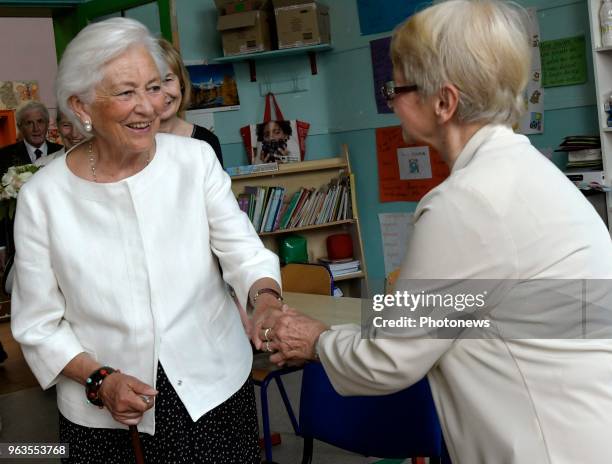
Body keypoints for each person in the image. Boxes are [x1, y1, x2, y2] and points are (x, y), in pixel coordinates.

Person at [260, 1, 612, 463]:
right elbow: (456, 308)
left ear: (443, 102)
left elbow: (389, 359)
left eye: (397, 87)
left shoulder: (468, 202)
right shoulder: (526, 172)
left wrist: (317, 340)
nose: (390, 101)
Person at [10, 17, 282, 463]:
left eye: (153, 88)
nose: (148, 107)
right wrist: (99, 380)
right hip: (103, 411)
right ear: (81, 106)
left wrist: (265, 299)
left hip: (212, 388)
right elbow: (37, 325)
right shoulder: (44, 197)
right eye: (125, 92)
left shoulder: (194, 162)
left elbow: (244, 252)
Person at [157, 38, 224, 167]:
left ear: (181, 82)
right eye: (152, 85)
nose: (162, 93)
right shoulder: (132, 145)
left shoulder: (207, 141)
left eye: (168, 80)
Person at [0, 100, 63, 172]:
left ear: (47, 124)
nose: (36, 129)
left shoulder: (62, 152)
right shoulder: (3, 156)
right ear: (20, 127)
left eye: (40, 121)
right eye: (29, 123)